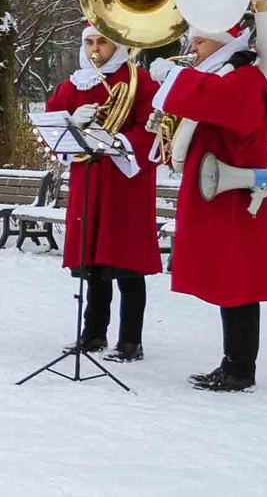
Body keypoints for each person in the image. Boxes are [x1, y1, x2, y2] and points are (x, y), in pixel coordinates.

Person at [149, 21, 267, 392]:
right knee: (229, 284)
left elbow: (219, 102)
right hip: (218, 194)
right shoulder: (225, 77)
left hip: (236, 198)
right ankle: (232, 362)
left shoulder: (245, 79)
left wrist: (175, 78)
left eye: (201, 40)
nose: (193, 46)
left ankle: (240, 369)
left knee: (239, 284)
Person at [44, 23, 160, 361]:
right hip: (88, 179)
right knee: (92, 259)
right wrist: (72, 122)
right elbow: (52, 128)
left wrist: (118, 141)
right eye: (90, 42)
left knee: (126, 262)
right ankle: (93, 333)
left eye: (103, 42)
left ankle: (130, 340)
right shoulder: (73, 85)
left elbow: (152, 128)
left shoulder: (138, 82)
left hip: (125, 183)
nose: (96, 49)